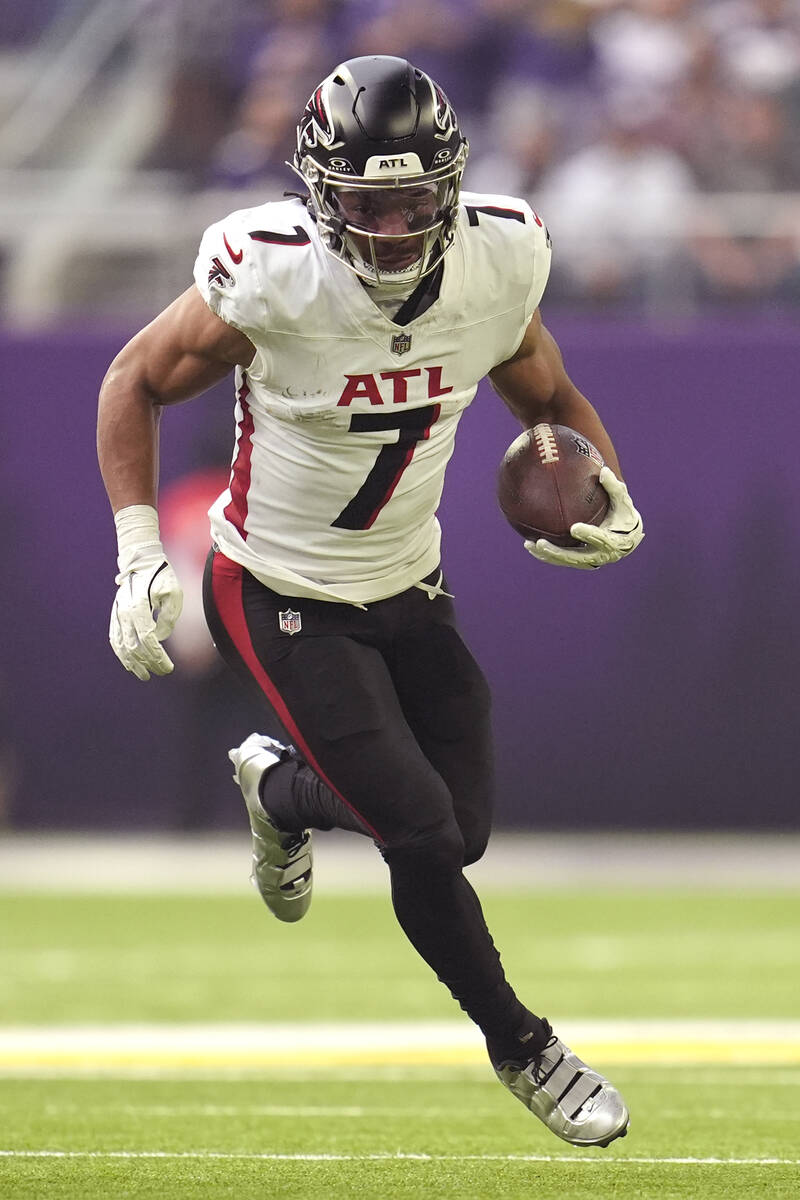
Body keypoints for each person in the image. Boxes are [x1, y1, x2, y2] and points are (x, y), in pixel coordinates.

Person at [97, 55, 643, 1148]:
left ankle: (282, 793)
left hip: (407, 581)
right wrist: (136, 549)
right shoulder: (270, 273)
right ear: (317, 196)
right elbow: (134, 380)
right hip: (277, 587)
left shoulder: (500, 257)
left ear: (449, 186)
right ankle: (523, 1046)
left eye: (410, 201)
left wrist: (605, 484)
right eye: (365, 203)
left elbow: (543, 389)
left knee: (463, 825)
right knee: (422, 835)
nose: (392, 228)